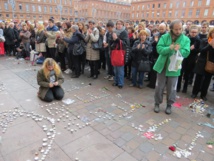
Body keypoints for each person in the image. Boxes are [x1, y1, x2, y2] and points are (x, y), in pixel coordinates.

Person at [153, 19, 190, 115]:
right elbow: (159, 49)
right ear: (171, 29)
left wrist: (180, 50)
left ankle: (169, 105)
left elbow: (186, 53)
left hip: (174, 68)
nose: (178, 31)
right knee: (159, 86)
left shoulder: (185, 39)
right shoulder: (165, 37)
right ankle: (157, 103)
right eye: (176, 29)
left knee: (172, 88)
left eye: (180, 29)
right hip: (162, 66)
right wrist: (169, 48)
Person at [192, 28, 214, 101]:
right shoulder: (205, 40)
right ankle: (195, 92)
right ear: (210, 33)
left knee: (207, 80)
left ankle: (203, 94)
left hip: (211, 64)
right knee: (198, 78)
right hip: (202, 62)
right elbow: (201, 50)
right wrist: (209, 45)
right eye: (213, 32)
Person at [177, 25, 200, 93]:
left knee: (187, 74)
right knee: (180, 73)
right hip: (184, 58)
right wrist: (188, 49)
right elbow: (181, 47)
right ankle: (178, 87)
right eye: (192, 32)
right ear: (189, 32)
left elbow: (199, 50)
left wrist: (194, 49)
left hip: (192, 59)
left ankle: (185, 88)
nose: (193, 33)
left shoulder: (198, 40)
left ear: (197, 32)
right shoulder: (186, 38)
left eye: (195, 32)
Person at [147, 23, 167, 89]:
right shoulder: (155, 35)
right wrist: (155, 41)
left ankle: (160, 85)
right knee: (154, 70)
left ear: (165, 28)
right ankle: (152, 84)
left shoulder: (168, 36)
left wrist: (157, 42)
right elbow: (150, 43)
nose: (161, 30)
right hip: (155, 54)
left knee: (161, 71)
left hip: (163, 55)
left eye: (162, 29)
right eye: (160, 28)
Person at [111, 20, 130, 89]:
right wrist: (112, 40)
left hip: (121, 53)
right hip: (114, 52)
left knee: (120, 69)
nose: (119, 25)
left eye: (120, 24)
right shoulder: (114, 32)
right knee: (115, 69)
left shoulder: (124, 32)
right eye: (118, 24)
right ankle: (116, 81)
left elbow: (126, 43)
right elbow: (111, 41)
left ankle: (120, 83)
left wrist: (117, 39)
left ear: (122, 25)